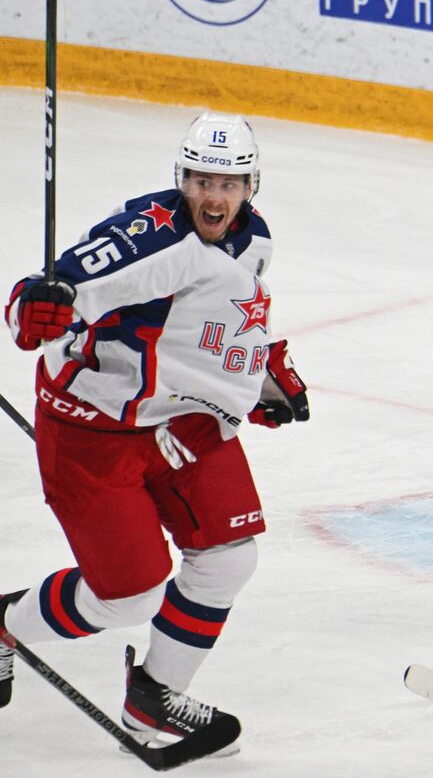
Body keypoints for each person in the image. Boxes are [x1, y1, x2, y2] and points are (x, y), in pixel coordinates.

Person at [0, 112, 309, 751]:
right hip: (94, 434)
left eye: (228, 183)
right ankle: (5, 623)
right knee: (129, 596)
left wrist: (267, 371)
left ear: (252, 186)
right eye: (200, 180)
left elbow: (234, 310)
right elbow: (40, 297)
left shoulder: (255, 238)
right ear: (181, 178)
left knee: (230, 555)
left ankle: (153, 700)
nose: (213, 197)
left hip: (179, 422)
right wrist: (35, 306)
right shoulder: (149, 241)